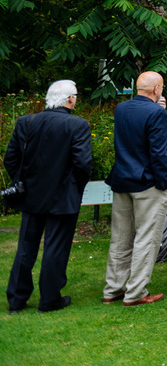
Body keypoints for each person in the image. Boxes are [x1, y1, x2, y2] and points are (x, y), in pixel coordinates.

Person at [5, 79, 92, 314]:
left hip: (32, 195)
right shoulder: (77, 125)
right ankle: (50, 299)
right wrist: (75, 187)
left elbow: (10, 159)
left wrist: (23, 183)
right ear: (70, 99)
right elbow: (83, 164)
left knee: (26, 247)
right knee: (56, 247)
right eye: (76, 95)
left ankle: (16, 298)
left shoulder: (26, 121)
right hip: (62, 196)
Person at [103, 71, 167, 307]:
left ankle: (113, 289)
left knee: (120, 238)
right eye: (161, 87)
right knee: (146, 238)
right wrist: (164, 182)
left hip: (122, 179)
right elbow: (158, 153)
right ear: (156, 89)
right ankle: (135, 293)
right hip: (147, 183)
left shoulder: (121, 109)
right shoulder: (156, 113)